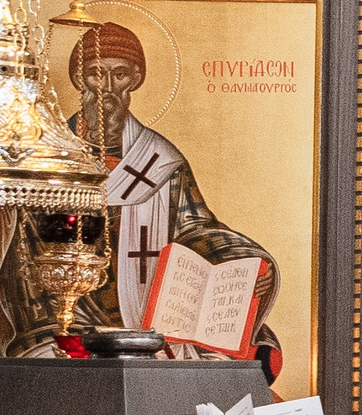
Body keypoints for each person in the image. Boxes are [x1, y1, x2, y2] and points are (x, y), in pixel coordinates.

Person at [3, 22, 279, 357]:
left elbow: (195, 228)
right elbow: (26, 245)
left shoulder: (161, 160)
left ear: (135, 79)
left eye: (118, 74)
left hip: (154, 318)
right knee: (47, 360)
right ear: (79, 80)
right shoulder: (50, 160)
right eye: (94, 73)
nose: (106, 87)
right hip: (66, 316)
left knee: (223, 360)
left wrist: (242, 262)